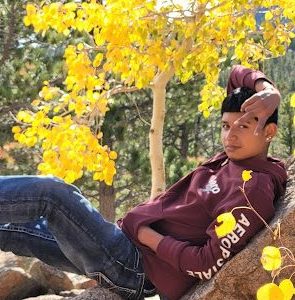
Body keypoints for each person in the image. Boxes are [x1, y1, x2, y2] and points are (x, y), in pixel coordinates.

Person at [0, 65, 287, 300]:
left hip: (136, 268)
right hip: (122, 246)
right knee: (10, 229)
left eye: (244, 127)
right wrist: (267, 91)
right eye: (225, 126)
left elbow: (205, 263)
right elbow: (237, 73)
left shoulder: (253, 188)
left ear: (269, 131)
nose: (229, 137)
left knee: (52, 195)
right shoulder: (235, 157)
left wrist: (148, 236)